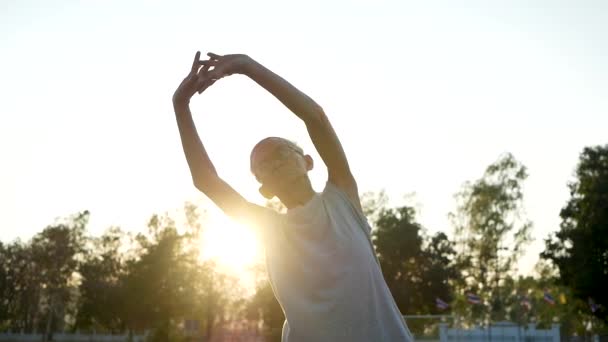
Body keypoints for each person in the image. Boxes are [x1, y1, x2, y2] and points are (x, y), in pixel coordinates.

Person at [172, 51, 414, 342]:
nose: (272, 163)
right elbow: (206, 181)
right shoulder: (270, 229)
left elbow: (316, 118)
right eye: (262, 166)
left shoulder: (342, 200)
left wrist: (247, 66)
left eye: (280, 153)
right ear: (265, 189)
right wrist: (180, 105)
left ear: (308, 161)